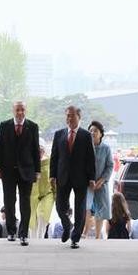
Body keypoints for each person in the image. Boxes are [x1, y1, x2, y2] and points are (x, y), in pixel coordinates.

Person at [0, 101, 41, 246]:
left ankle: (24, 234)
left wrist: (37, 171)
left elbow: (35, 150)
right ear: (13, 111)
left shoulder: (32, 126)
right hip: (8, 171)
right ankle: (11, 232)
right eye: (17, 110)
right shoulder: (4, 125)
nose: (20, 112)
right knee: (9, 202)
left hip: (27, 170)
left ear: (26, 110)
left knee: (25, 203)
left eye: (23, 110)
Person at [49, 105, 96, 249]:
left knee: (80, 208)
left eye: (72, 115)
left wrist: (92, 178)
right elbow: (54, 157)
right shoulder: (59, 134)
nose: (69, 118)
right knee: (59, 206)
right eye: (67, 115)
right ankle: (66, 225)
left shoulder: (86, 135)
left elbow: (90, 158)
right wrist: (52, 175)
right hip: (62, 176)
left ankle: (75, 238)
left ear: (79, 117)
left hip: (80, 177)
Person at [84, 121, 114, 239]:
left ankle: (97, 236)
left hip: (101, 184)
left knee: (100, 211)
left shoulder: (106, 148)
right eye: (90, 131)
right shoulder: (85, 147)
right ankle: (84, 234)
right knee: (86, 208)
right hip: (87, 184)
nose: (92, 133)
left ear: (101, 134)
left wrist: (102, 180)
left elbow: (110, 165)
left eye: (95, 131)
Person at [28, 138, 55, 239]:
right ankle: (33, 240)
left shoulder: (49, 162)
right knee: (32, 220)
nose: (38, 152)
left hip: (47, 194)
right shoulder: (28, 164)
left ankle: (40, 239)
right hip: (32, 195)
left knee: (42, 216)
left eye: (40, 150)